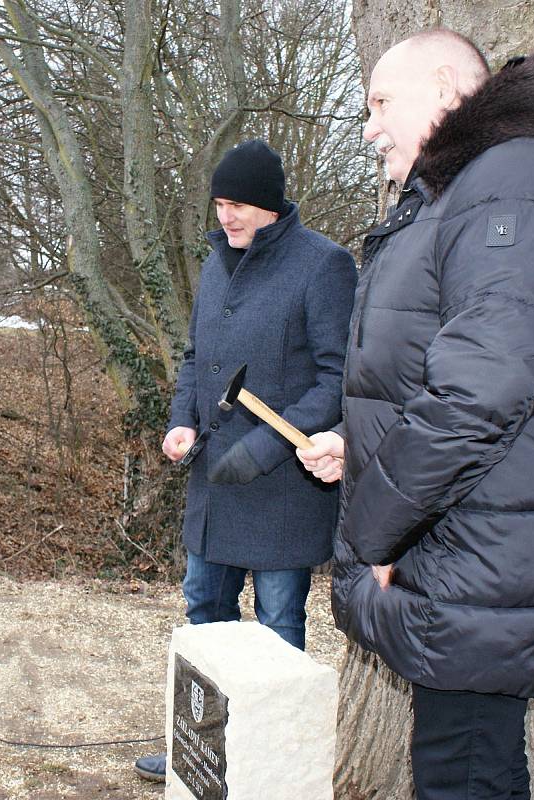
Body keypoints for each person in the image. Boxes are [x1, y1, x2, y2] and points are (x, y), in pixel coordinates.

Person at [298, 30, 534, 800]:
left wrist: (377, 530)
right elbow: (440, 370)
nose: (369, 126)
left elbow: (481, 391)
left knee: (463, 772)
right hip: (466, 542)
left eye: (381, 102)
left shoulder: (512, 178)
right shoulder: (467, 189)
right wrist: (358, 442)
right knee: (466, 763)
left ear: (445, 88)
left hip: (483, 552)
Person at [134, 139, 356, 782]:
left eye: (236, 205)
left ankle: (271, 767)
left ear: (269, 205)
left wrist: (266, 447)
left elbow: (338, 379)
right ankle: (197, 755)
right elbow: (195, 360)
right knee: (205, 614)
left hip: (284, 486)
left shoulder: (324, 266)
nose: (225, 217)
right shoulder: (214, 264)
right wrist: (182, 422)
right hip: (213, 483)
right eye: (219, 203)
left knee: (278, 628)